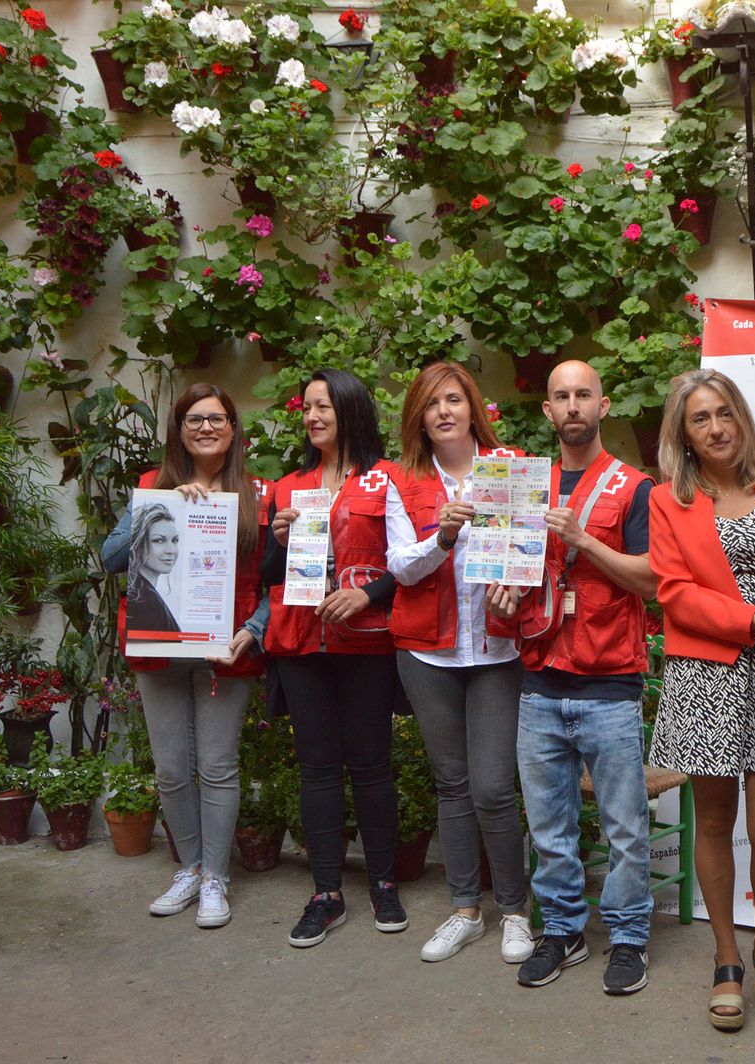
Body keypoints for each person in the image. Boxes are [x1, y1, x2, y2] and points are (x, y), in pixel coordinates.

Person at [646, 367, 755, 1032]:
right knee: (716, 823)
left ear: (741, 417)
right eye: (701, 418)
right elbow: (673, 591)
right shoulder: (669, 501)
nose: (717, 427)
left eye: (725, 413)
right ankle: (727, 956)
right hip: (707, 673)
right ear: (684, 434)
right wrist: (751, 619)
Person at [485, 360, 657, 994]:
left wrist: (584, 540)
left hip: (609, 685)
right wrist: (500, 593)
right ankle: (561, 929)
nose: (574, 405)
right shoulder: (521, 486)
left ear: (604, 406)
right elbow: (499, 576)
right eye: (562, 396)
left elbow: (652, 581)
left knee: (624, 827)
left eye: (584, 394)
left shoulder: (633, 487)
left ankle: (630, 938)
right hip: (539, 685)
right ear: (548, 413)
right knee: (549, 827)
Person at [102, 382, 270, 930]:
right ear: (178, 430)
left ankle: (217, 878)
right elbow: (110, 558)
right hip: (161, 646)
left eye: (216, 418)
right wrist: (165, 508)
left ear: (232, 428)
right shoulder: (154, 486)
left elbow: (277, 581)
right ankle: (190, 869)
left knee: (218, 767)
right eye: (194, 419)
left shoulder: (257, 493)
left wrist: (256, 628)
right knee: (172, 769)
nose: (205, 427)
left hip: (227, 648)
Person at [386, 361, 533, 966]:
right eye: (431, 404)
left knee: (495, 787)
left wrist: (519, 587)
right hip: (429, 653)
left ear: (473, 407)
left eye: (453, 399)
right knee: (452, 783)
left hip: (497, 650)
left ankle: (515, 913)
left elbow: (535, 550)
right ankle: (465, 909)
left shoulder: (512, 468)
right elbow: (399, 567)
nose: (444, 411)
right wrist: (440, 539)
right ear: (419, 418)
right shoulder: (404, 481)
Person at [264, 368, 406, 948]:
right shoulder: (287, 486)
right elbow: (269, 579)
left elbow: (413, 563)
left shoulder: (388, 480)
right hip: (301, 642)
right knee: (316, 766)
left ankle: (384, 882)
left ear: (350, 411)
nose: (313, 417)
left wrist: (367, 593)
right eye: (307, 408)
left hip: (367, 643)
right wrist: (275, 545)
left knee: (371, 764)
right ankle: (326, 892)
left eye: (324, 406)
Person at [124, 503, 182, 634]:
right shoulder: (145, 601)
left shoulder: (144, 594)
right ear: (138, 544)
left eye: (175, 540)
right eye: (159, 541)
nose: (171, 550)